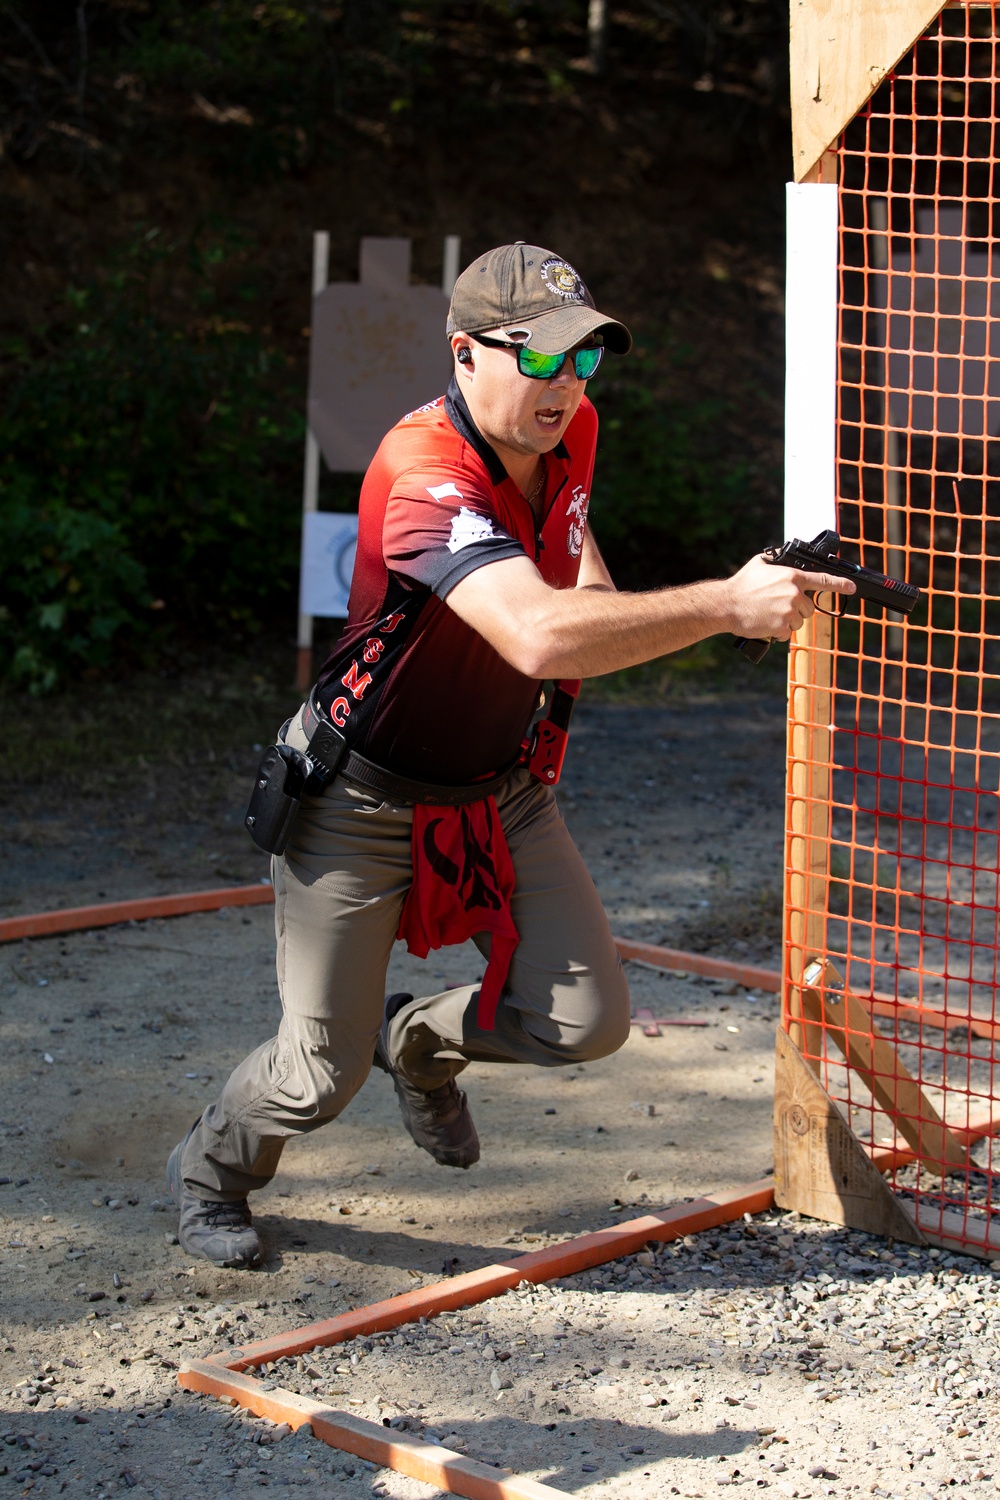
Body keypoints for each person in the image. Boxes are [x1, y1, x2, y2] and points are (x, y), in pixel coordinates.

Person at [166, 241, 855, 1267]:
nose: (566, 387)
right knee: (317, 1074)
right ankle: (210, 1172)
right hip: (357, 798)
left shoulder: (568, 432)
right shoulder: (419, 472)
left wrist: (701, 607)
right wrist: (721, 605)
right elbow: (535, 635)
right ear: (464, 353)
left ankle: (418, 1042)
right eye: (539, 360)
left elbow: (580, 589)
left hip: (495, 790)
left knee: (585, 1019)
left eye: (584, 361)